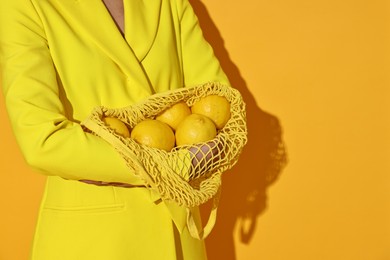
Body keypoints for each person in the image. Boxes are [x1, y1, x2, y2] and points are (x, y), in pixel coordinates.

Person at [0, 0, 231, 259]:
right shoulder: (25, 4)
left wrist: (100, 159)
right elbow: (42, 142)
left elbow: (219, 105)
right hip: (93, 239)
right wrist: (174, 165)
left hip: (178, 233)